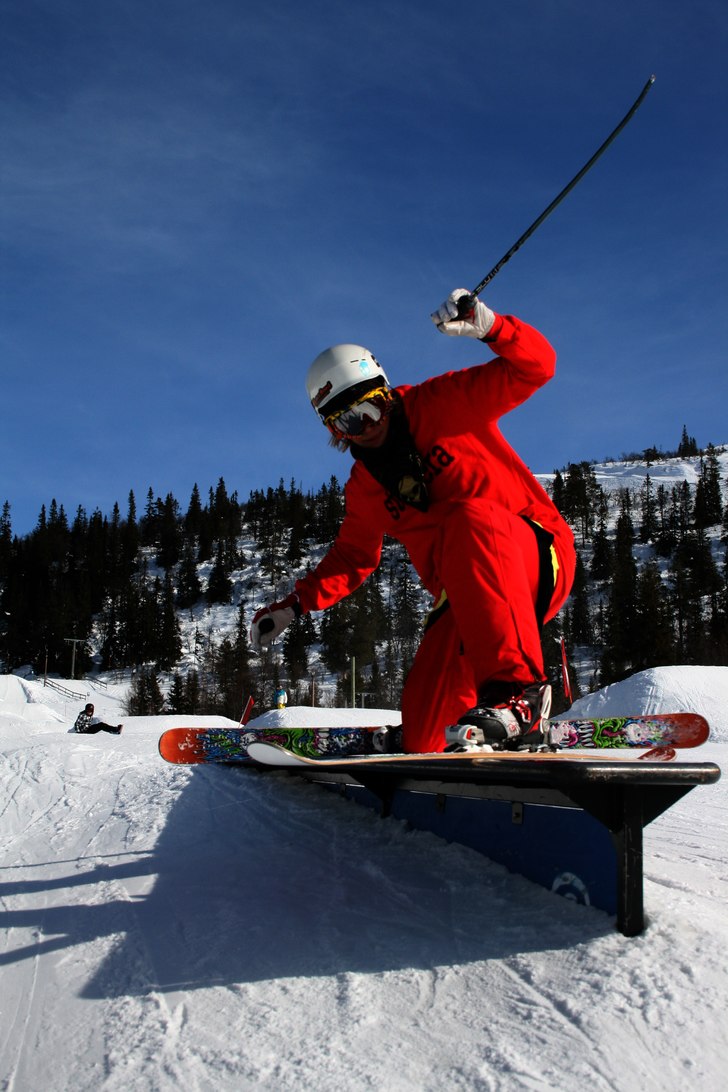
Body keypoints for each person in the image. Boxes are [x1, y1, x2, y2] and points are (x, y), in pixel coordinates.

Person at [251, 288, 576, 753]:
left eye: (374, 406)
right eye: (350, 421)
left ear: (387, 391)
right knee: (425, 734)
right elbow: (353, 557)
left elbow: (535, 367)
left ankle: (521, 697)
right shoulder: (365, 488)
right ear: (331, 430)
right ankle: (455, 735)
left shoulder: (441, 403)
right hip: (467, 598)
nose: (369, 426)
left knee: (468, 517)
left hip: (534, 555)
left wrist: (492, 327)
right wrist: (292, 606)